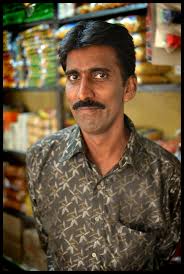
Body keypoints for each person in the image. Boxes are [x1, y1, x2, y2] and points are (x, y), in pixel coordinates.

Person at [26, 20, 181, 271]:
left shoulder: (166, 174)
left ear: (128, 88)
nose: (83, 93)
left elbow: (162, 255)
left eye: (100, 75)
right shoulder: (41, 158)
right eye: (74, 77)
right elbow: (51, 248)